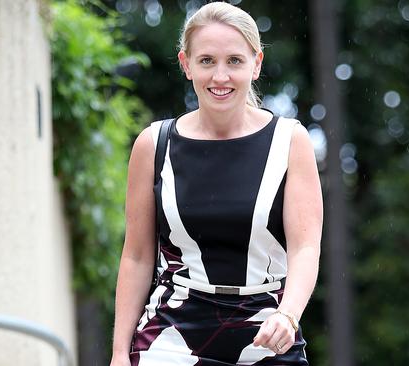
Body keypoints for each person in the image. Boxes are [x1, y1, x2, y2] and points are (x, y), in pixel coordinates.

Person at [109, 2, 323, 365]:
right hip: (171, 334)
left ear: (256, 65)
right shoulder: (153, 144)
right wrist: (118, 354)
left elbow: (305, 248)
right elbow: (137, 256)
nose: (220, 76)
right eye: (207, 61)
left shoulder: (290, 142)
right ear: (186, 64)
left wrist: (288, 315)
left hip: (266, 330)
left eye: (234, 61)